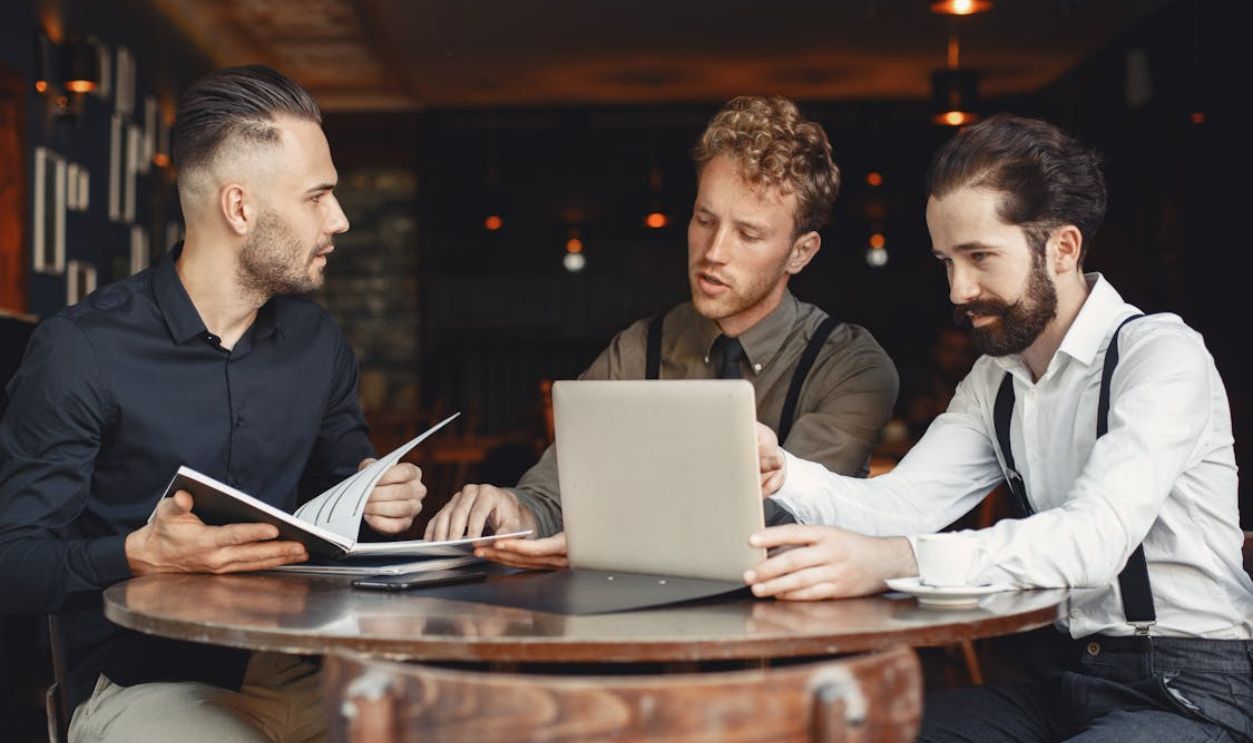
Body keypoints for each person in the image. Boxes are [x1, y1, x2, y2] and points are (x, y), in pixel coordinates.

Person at [745, 114, 1252, 741]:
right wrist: (783, 472)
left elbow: (1092, 542)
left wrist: (893, 560)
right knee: (869, 732)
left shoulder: (1161, 355)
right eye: (945, 262)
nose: (959, 290)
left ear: (1062, 249)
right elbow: (903, 505)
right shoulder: (995, 382)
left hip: (1187, 690)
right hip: (1063, 682)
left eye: (980, 256)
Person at [0, 65, 425, 741]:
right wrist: (137, 553)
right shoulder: (81, 350)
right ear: (239, 207)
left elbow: (349, 513)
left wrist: (380, 500)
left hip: (310, 667)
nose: (339, 220)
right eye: (317, 196)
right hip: (146, 681)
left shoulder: (317, 343)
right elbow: (13, 563)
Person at [424, 96, 899, 568]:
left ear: (801, 252)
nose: (714, 251)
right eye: (704, 220)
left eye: (748, 235)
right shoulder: (638, 350)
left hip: (793, 630)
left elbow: (782, 523)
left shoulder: (850, 367)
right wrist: (513, 510)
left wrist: (603, 539)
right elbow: (554, 496)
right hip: (643, 626)